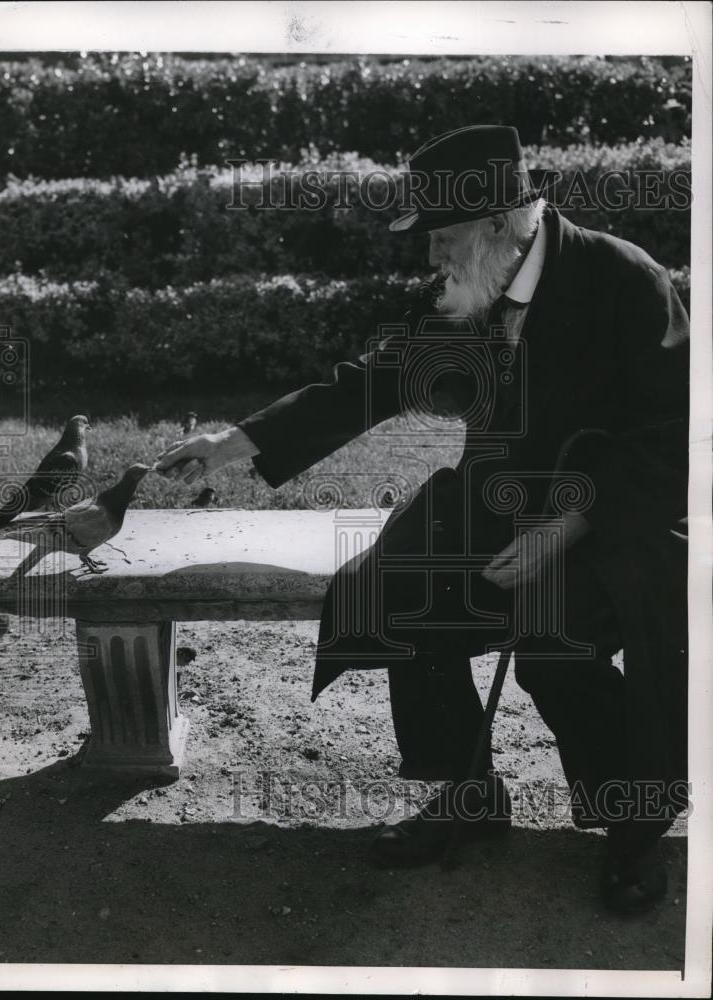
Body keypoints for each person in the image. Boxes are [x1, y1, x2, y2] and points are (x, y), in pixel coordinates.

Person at [156, 125, 689, 915]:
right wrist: (236, 440)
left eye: (441, 237)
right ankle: (468, 795)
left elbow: (674, 432)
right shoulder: (465, 287)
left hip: (612, 514)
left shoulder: (622, 278)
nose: (430, 258)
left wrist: (570, 522)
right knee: (399, 592)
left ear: (499, 225)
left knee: (553, 643)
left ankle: (632, 827)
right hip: (496, 497)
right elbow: (370, 383)